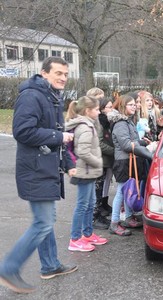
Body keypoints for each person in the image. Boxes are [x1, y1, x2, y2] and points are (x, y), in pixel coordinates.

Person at [0, 57, 78, 294]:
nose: (63, 77)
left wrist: (67, 162)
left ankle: (50, 265)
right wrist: (59, 138)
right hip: (35, 170)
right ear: (44, 73)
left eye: (65, 73)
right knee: (43, 223)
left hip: (46, 168)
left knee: (45, 222)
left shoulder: (51, 96)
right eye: (58, 73)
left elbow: (55, 133)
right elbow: (22, 131)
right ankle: (8, 268)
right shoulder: (32, 96)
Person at [65, 96, 107, 252]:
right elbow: (83, 151)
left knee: (90, 204)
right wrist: (98, 162)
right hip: (84, 172)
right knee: (82, 206)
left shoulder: (89, 124)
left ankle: (87, 234)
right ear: (87, 111)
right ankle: (75, 239)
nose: (99, 111)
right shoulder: (85, 127)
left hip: (88, 171)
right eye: (96, 109)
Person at [109, 95, 154, 236]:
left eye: (134, 104)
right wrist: (146, 151)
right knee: (122, 191)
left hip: (131, 160)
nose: (134, 106)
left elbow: (132, 141)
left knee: (130, 189)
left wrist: (142, 142)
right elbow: (126, 145)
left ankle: (128, 217)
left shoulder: (128, 121)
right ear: (123, 106)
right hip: (123, 161)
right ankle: (114, 222)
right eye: (130, 104)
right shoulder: (121, 123)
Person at [93, 97, 115, 229]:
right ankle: (95, 218)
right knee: (97, 189)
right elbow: (100, 143)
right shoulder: (100, 123)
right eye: (109, 107)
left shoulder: (107, 122)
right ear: (102, 109)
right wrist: (114, 151)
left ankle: (100, 213)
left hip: (107, 161)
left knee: (102, 188)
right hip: (101, 160)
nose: (112, 109)